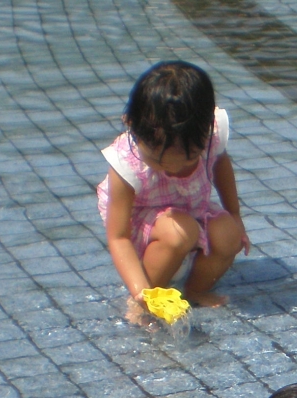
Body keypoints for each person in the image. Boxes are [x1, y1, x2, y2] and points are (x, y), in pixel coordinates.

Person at [96, 61, 249, 325]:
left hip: (191, 209)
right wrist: (140, 291)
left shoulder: (210, 136)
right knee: (179, 231)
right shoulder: (126, 163)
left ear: (206, 131)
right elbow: (118, 237)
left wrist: (235, 215)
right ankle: (146, 300)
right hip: (146, 225)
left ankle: (194, 290)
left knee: (228, 234)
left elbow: (221, 163)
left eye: (189, 158)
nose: (174, 167)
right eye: (158, 160)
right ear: (131, 125)